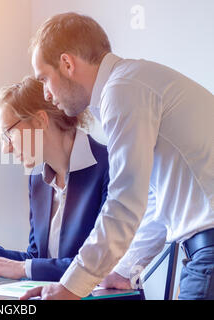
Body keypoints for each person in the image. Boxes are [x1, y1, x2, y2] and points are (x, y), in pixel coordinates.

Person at [22, 12, 214, 300]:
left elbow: (124, 202)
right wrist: (124, 271)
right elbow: (153, 202)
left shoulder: (122, 90)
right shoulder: (134, 82)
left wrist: (72, 286)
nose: (47, 95)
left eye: (45, 79)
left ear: (67, 63)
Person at [0, 76, 110, 282]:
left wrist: (24, 268)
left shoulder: (110, 167)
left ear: (40, 120)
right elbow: (36, 260)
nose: (6, 148)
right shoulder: (38, 179)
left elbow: (102, 266)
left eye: (8, 134)